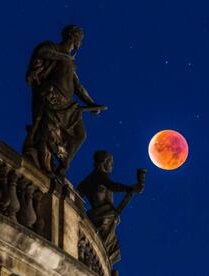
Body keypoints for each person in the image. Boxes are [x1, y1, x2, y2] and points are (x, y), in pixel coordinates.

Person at [23, 25, 105, 176]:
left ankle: (64, 164)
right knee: (48, 134)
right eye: (80, 37)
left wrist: (91, 103)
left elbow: (77, 86)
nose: (80, 42)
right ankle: (46, 164)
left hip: (68, 106)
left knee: (80, 135)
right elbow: (41, 52)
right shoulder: (52, 47)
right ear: (74, 37)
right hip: (52, 98)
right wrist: (64, 57)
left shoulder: (70, 61)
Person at [78, 150, 145, 264]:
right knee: (106, 249)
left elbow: (78, 192)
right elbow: (112, 186)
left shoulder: (97, 178)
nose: (112, 165)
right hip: (102, 218)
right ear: (104, 162)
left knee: (111, 251)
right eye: (110, 161)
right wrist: (130, 188)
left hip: (108, 217)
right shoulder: (97, 176)